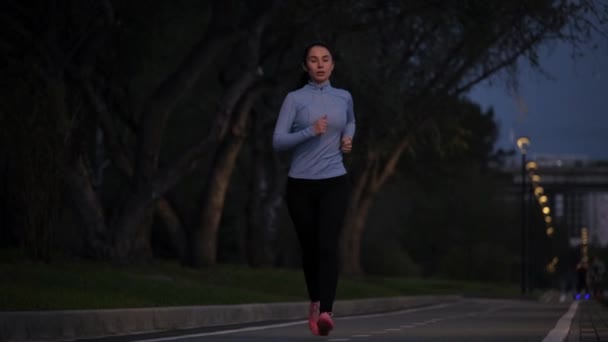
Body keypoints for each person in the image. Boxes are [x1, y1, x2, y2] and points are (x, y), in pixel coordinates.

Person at [272, 42, 355, 336]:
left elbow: (351, 121)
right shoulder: (294, 99)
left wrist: (347, 138)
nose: (320, 64)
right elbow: (278, 141)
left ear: (332, 65)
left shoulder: (344, 97)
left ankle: (327, 312)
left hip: (335, 181)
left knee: (327, 245)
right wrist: (309, 131)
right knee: (310, 249)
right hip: (301, 185)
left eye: (325, 59)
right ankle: (315, 300)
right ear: (305, 66)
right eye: (313, 60)